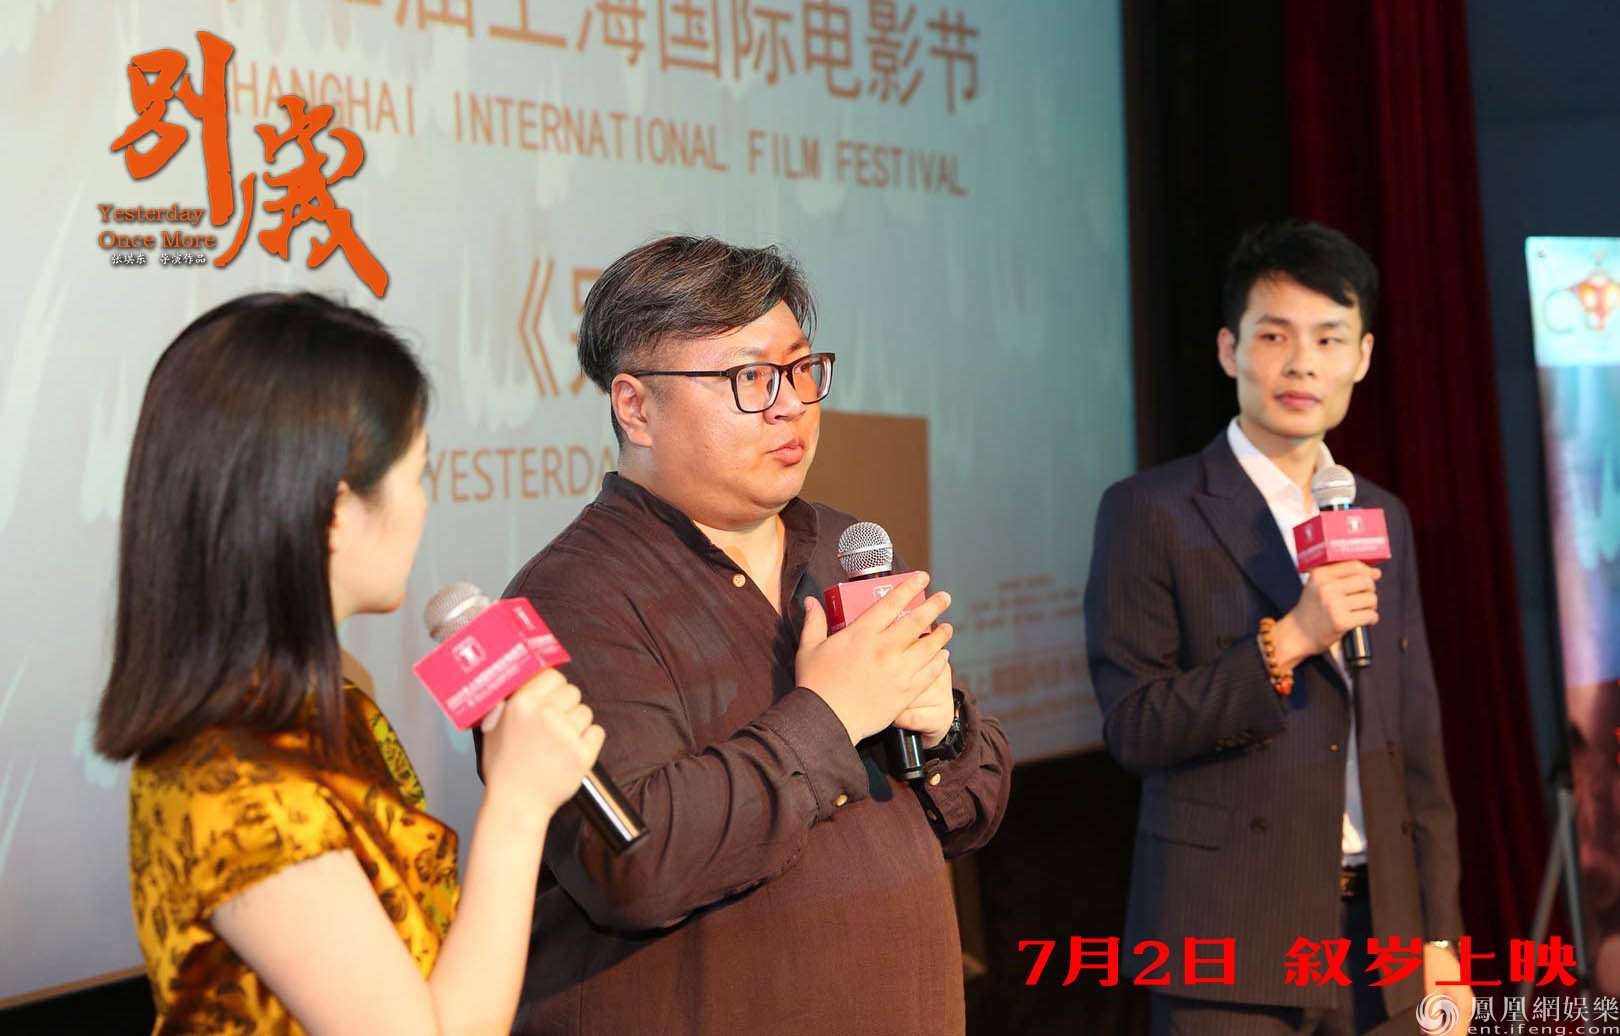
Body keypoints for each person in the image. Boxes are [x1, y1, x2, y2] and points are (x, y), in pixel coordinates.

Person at [493, 236, 1013, 1035]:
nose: (789, 405)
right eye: (749, 378)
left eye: (801, 371)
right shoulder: (567, 596)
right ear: (635, 407)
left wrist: (943, 730)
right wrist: (832, 714)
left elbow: (975, 808)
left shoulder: (846, 549)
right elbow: (632, 865)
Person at [95, 292, 604, 1036]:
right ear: (335, 511)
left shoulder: (333, 700)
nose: (424, 505)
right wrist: (518, 808)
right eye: (417, 475)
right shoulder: (235, 786)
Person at [1084, 220, 1472, 1034]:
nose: (1302, 363)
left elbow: (1415, 745)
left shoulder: (1381, 515)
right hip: (1231, 937)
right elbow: (1136, 727)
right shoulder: (1149, 510)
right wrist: (1288, 639)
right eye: (1274, 335)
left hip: (1386, 939)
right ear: (1229, 350)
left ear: (1362, 357)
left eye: (1329, 338)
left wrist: (1442, 938)